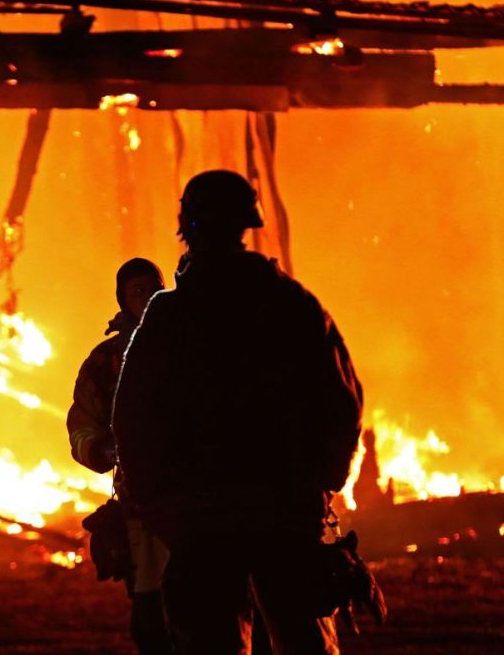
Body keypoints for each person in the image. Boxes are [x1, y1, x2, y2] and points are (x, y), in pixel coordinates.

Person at [113, 170, 363, 655]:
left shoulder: (167, 318)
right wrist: (321, 484)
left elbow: (133, 420)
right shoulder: (293, 304)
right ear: (247, 225)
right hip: (284, 514)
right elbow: (341, 401)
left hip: (199, 523)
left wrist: (156, 504)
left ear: (187, 226)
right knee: (301, 641)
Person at [68, 258, 172, 654]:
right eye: (139, 292)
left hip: (196, 509)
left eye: (155, 289)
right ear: (123, 300)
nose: (148, 299)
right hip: (140, 512)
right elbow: (80, 424)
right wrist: (99, 448)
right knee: (151, 621)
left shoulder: (191, 346)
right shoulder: (104, 364)